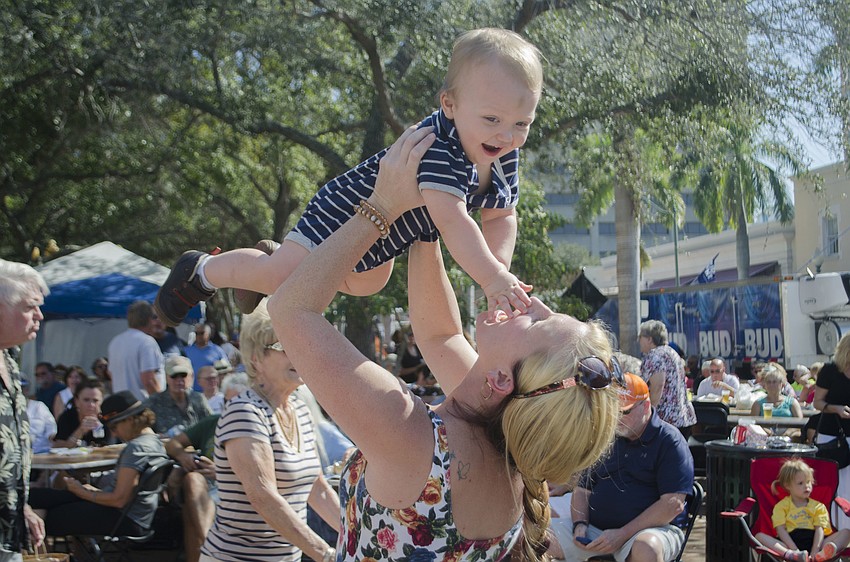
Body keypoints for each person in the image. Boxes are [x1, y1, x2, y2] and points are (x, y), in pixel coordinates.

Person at [267, 126, 622, 561]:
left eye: (536, 322)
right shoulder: (501, 441)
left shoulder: (409, 436)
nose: (534, 301)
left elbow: (290, 310)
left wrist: (381, 206)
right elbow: (440, 336)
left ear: (501, 379)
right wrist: (428, 217)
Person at [154, 27, 543, 329]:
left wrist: (500, 270)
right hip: (345, 213)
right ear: (450, 105)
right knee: (284, 277)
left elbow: (500, 215)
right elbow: (454, 221)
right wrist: (492, 280)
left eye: (521, 123)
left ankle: (289, 259)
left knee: (368, 283)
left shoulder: (501, 150)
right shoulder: (440, 147)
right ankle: (201, 271)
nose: (507, 135)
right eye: (492, 119)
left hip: (384, 234)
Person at [200, 301, 339, 562]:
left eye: (301, 344)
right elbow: (263, 497)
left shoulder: (299, 409)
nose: (298, 352)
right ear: (256, 358)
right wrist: (328, 555)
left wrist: (358, 533)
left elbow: (317, 489)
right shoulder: (244, 412)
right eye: (284, 346)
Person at [548, 374, 694, 562]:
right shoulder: (608, 436)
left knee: (646, 547)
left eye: (624, 412)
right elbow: (582, 490)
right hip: (595, 530)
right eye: (613, 412)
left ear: (646, 406)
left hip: (648, 530)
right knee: (535, 536)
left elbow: (672, 505)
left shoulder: (669, 440)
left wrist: (622, 534)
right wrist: (579, 525)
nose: (617, 419)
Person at [28, 391, 169, 538]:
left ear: (131, 419)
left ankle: (36, 555)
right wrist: (87, 491)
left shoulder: (137, 448)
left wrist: (83, 492)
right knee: (37, 496)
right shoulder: (156, 443)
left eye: (114, 427)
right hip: (133, 515)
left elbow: (119, 500)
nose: (114, 434)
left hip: (124, 518)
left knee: (47, 514)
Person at [165, 373, 250, 562]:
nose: (229, 408)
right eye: (226, 402)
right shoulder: (213, 423)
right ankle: (209, 547)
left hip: (238, 489)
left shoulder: (254, 429)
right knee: (192, 480)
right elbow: (172, 444)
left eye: (234, 403)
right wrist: (183, 456)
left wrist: (223, 474)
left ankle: (209, 553)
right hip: (207, 486)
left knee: (190, 511)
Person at [0, 258, 47, 558]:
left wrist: (24, 507)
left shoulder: (10, 358)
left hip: (10, 528)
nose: (39, 316)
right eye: (30, 307)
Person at [754, 458, 850, 562]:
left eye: (808, 482)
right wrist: (794, 550)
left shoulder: (818, 506)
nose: (806, 486)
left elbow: (819, 529)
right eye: (800, 483)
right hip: (789, 542)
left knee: (846, 533)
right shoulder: (781, 506)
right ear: (788, 485)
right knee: (759, 536)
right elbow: (780, 530)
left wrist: (815, 551)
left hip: (816, 542)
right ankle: (790, 554)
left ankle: (823, 554)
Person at [813, 332, 850, 528]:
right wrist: (835, 408)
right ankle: (835, 530)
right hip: (832, 435)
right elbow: (817, 402)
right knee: (834, 486)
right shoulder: (830, 371)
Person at [638, 320, 695, 436]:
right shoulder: (672, 353)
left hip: (665, 420)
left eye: (640, 337)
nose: (638, 341)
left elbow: (658, 386)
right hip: (682, 417)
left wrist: (649, 417)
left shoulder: (654, 356)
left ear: (649, 339)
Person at [108, 300, 165, 400]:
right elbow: (149, 380)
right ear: (148, 319)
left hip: (122, 406)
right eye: (154, 317)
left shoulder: (115, 341)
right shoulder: (147, 342)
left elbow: (111, 375)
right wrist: (160, 404)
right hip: (142, 406)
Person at [145, 355, 211, 435]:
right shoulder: (153, 403)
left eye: (183, 375)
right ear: (166, 377)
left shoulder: (198, 399)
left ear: (191, 376)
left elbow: (211, 426)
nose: (179, 381)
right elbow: (143, 434)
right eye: (174, 376)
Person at [52, 379, 114, 448]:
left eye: (95, 400)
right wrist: (80, 431)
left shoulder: (108, 418)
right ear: (77, 401)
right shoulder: (67, 417)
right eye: (86, 400)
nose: (91, 405)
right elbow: (57, 446)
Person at [184, 323, 228, 392]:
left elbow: (225, 371)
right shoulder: (186, 351)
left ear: (209, 334)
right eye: (196, 333)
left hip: (212, 393)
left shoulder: (217, 351)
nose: (198, 336)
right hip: (192, 393)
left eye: (202, 333)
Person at [21, 378, 56, 455]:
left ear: (27, 390)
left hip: (41, 452)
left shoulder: (39, 406)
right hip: (18, 454)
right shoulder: (6, 410)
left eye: (23, 389)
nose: (20, 392)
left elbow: (52, 431)